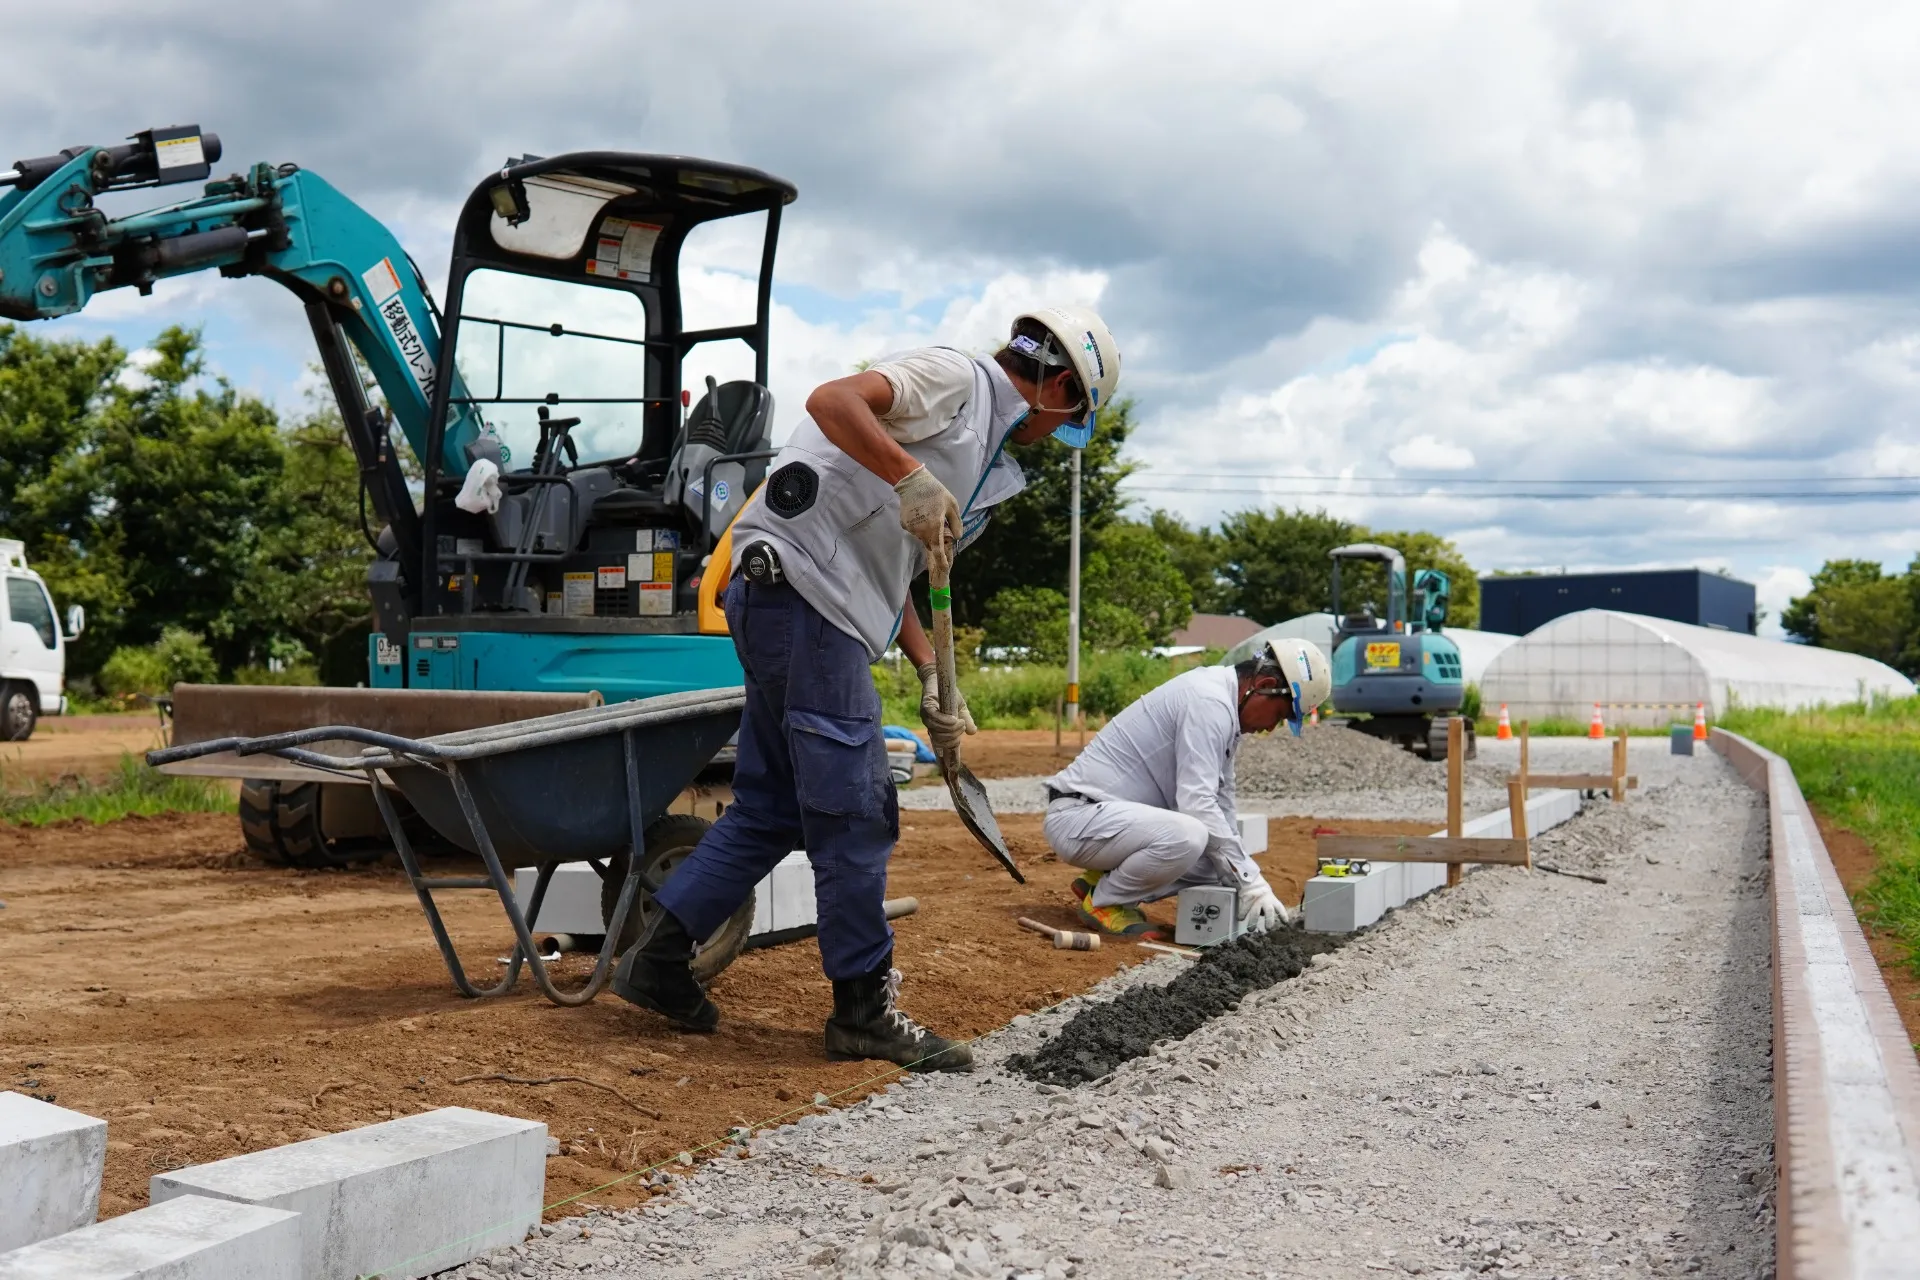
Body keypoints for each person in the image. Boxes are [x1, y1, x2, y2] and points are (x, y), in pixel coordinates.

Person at [612, 305, 1122, 1073]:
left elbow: (904, 580)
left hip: (797, 605)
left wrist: (929, 674)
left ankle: (658, 958)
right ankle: (861, 1011)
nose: (1059, 436)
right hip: (805, 596)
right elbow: (831, 400)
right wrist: (909, 474)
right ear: (1059, 387)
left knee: (773, 806)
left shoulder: (981, 462)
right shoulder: (958, 381)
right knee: (854, 815)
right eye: (1071, 419)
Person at [1042, 639, 1332, 939]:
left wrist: (1243, 875)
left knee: (1221, 858)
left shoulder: (1224, 710)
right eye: (1280, 715)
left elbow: (1222, 802)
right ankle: (1105, 902)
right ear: (1265, 684)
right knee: (1191, 836)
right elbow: (1197, 802)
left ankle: (1100, 880)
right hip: (1080, 817)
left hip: (1108, 822)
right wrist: (1251, 881)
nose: (1271, 728)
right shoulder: (1208, 702)